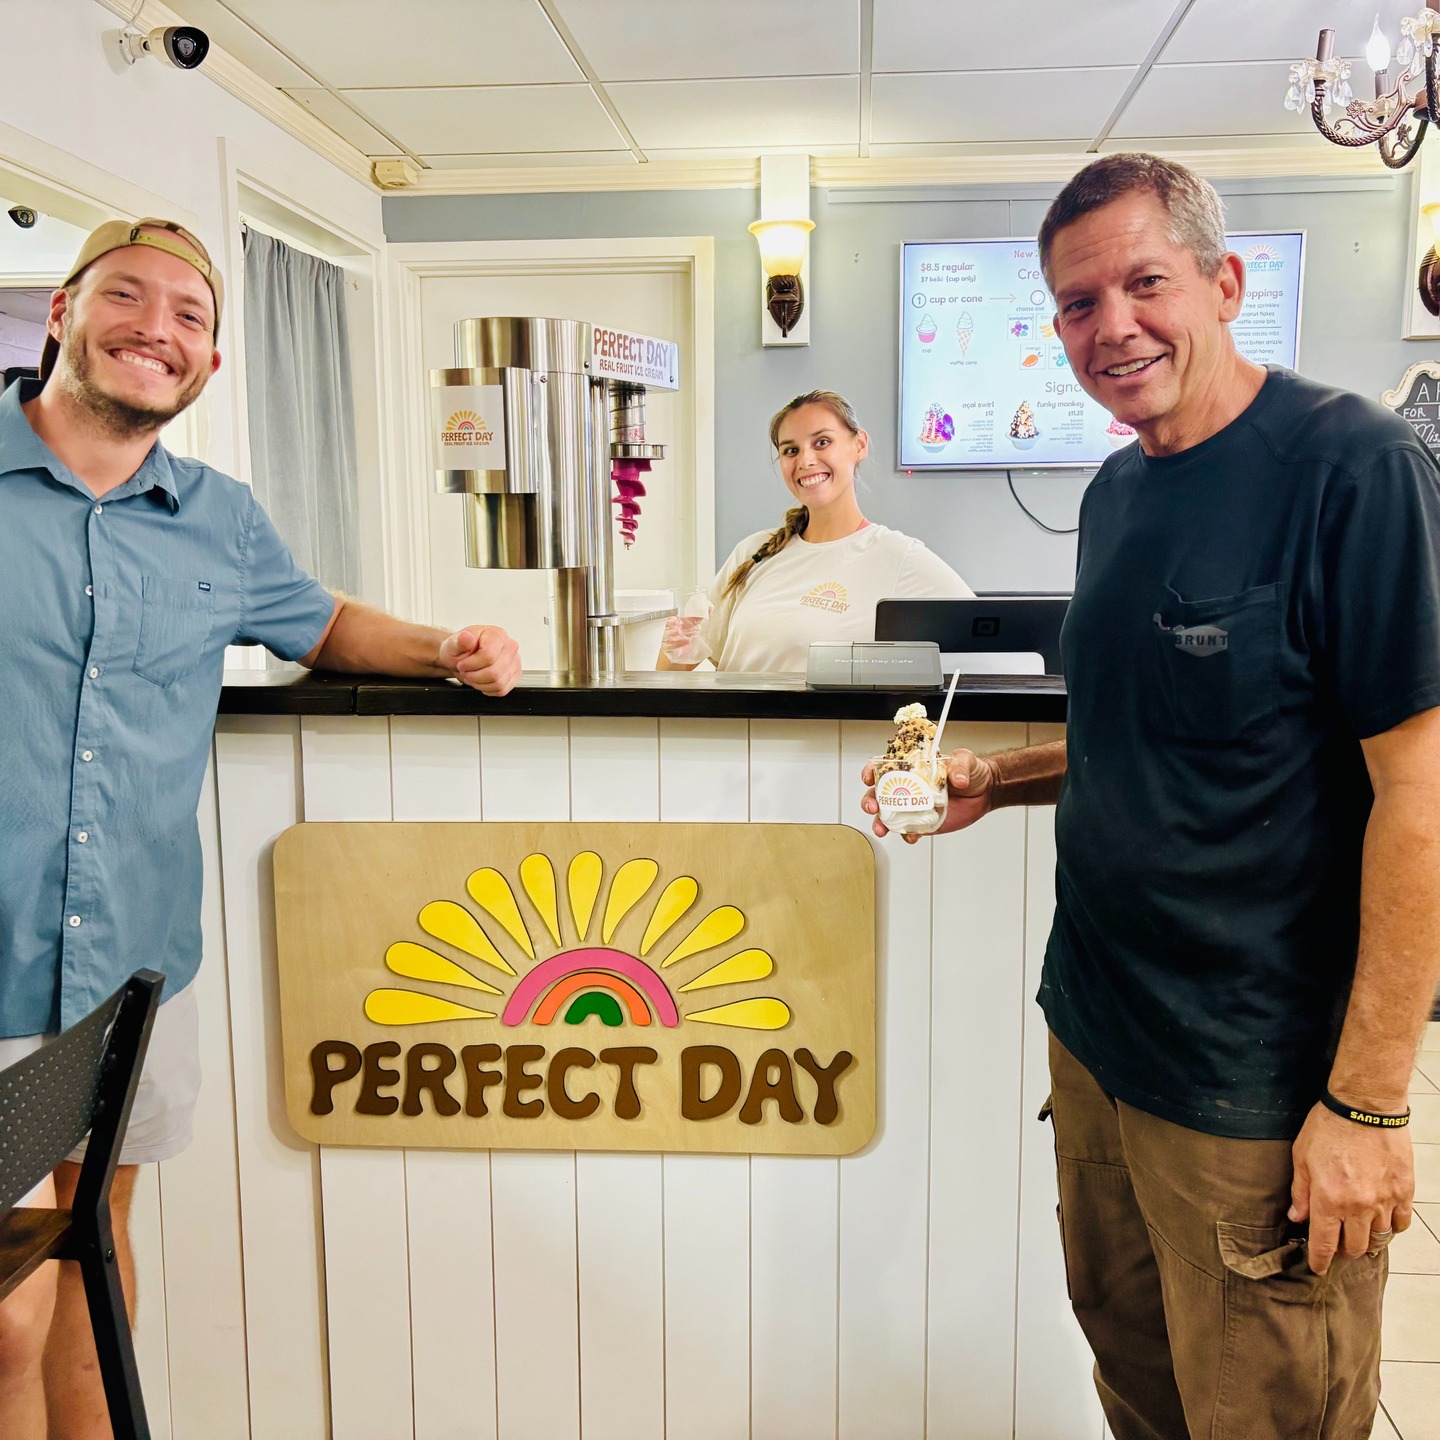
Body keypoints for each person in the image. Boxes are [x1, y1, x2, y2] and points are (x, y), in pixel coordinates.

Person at [863, 154, 1440, 1439]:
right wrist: (991, 780)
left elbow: (1422, 793)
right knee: (1140, 1390)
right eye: (1077, 303)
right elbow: (1147, 723)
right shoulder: (1118, 491)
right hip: (1099, 1041)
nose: (1111, 326)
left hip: (1254, 1085)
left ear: (1225, 284)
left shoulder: (1350, 468)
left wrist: (1368, 1103)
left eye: (1145, 283)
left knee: (1271, 1414)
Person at [0, 218, 520, 1438]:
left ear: (212, 366)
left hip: (132, 972)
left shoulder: (216, 516)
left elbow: (321, 621)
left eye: (190, 317)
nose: (156, 331)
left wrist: (446, 647)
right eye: (127, 299)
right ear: (64, 309)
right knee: (5, 1313)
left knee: (93, 1258)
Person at [658, 389, 973, 673]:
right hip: (737, 735)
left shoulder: (899, 556)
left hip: (832, 736)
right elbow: (672, 675)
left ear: (859, 445)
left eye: (822, 442)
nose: (806, 460)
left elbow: (989, 641)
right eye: (790, 450)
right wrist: (678, 648)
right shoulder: (753, 553)